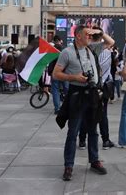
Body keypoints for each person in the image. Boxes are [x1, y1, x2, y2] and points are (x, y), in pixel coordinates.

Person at [52, 26, 107, 181]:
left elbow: (110, 41)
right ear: (77, 36)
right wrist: (74, 78)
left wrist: (98, 32)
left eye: (90, 34)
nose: (89, 36)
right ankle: (68, 165)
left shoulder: (91, 49)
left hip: (93, 93)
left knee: (93, 130)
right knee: (73, 132)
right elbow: (55, 74)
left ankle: (94, 160)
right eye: (86, 34)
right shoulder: (67, 52)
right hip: (77, 93)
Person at [79, 29, 115, 150]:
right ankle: (105, 140)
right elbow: (111, 41)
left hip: (86, 85)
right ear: (100, 38)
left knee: (84, 114)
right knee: (102, 114)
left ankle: (82, 140)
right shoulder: (105, 51)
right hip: (100, 86)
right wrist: (101, 31)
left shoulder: (84, 49)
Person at [48, 36, 68, 114]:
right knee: (67, 90)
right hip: (64, 73)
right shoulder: (65, 50)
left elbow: (50, 62)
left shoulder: (51, 51)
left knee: (55, 91)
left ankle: (57, 109)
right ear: (60, 41)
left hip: (54, 73)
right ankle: (67, 108)